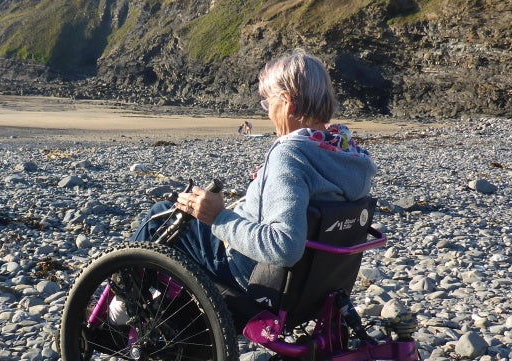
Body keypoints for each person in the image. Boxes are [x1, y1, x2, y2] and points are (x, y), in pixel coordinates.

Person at [133, 50, 377, 291]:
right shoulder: (347, 154)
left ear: (287, 102)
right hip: (316, 284)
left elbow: (284, 247)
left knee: (162, 215)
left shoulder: (291, 155)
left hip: (246, 270)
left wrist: (218, 217)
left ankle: (119, 307)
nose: (268, 112)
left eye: (268, 103)